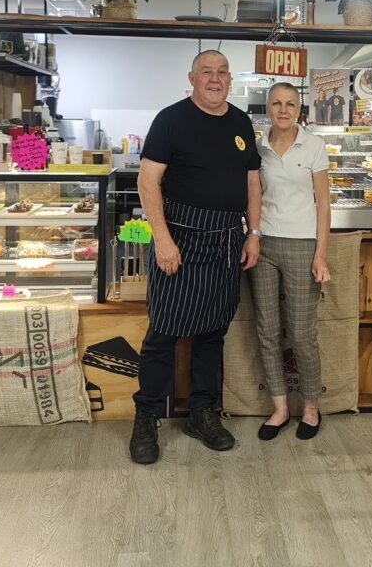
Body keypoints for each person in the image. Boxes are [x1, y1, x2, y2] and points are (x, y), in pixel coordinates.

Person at [129, 50, 262, 465]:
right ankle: (146, 417)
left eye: (222, 72)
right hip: (179, 241)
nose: (215, 78)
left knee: (212, 334)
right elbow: (147, 182)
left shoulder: (241, 122)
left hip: (226, 240)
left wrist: (252, 233)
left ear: (230, 80)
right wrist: (163, 240)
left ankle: (202, 413)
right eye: (207, 71)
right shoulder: (171, 119)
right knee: (163, 335)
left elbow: (253, 182)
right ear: (192, 78)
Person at [251, 82, 331, 440]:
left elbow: (324, 204)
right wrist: (252, 234)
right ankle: (280, 407)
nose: (283, 110)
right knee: (268, 331)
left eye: (290, 104)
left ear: (300, 109)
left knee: (301, 333)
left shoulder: (313, 146)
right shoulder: (258, 147)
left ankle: (311, 407)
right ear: (268, 108)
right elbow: (254, 195)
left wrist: (321, 254)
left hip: (302, 245)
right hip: (265, 244)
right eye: (277, 104)